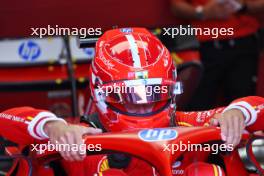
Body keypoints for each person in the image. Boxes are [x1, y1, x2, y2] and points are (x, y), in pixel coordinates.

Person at [0, 28, 264, 176]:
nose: (144, 104)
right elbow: (6, 119)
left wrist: (238, 113)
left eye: (155, 92)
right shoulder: (77, 137)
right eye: (129, 95)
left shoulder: (192, 123)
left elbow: (258, 108)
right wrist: (52, 127)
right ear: (101, 94)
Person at [171, 0, 263, 110]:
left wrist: (242, 5)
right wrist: (203, 12)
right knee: (199, 107)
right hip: (204, 43)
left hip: (244, 40)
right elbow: (176, 6)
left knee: (244, 106)